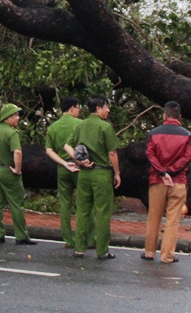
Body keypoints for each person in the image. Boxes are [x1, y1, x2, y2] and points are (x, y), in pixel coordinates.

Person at [64, 94, 121, 260]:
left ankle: (79, 248)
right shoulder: (105, 127)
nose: (108, 110)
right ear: (98, 108)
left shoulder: (81, 126)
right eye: (106, 107)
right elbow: (112, 152)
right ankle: (102, 250)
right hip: (101, 173)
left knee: (82, 210)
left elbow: (67, 145)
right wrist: (117, 173)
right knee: (102, 211)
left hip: (84, 174)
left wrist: (79, 160)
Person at [142, 101, 191, 264]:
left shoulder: (153, 133)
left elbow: (150, 154)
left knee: (154, 217)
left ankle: (149, 252)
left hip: (157, 180)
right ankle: (167, 256)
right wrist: (171, 171)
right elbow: (187, 157)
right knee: (172, 220)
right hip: (178, 181)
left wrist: (162, 172)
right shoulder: (187, 135)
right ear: (180, 117)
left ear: (164, 115)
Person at [0, 103, 37, 245]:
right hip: (8, 171)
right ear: (8, 117)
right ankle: (21, 235)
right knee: (16, 204)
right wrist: (17, 170)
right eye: (16, 115)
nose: (18, 118)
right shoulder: (12, 133)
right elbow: (17, 152)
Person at [44, 96, 82, 249]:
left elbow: (48, 150)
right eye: (78, 108)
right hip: (80, 168)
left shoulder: (53, 127)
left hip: (63, 168)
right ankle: (86, 237)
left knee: (65, 203)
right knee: (84, 203)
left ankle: (68, 239)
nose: (79, 111)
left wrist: (64, 162)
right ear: (72, 108)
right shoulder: (81, 125)